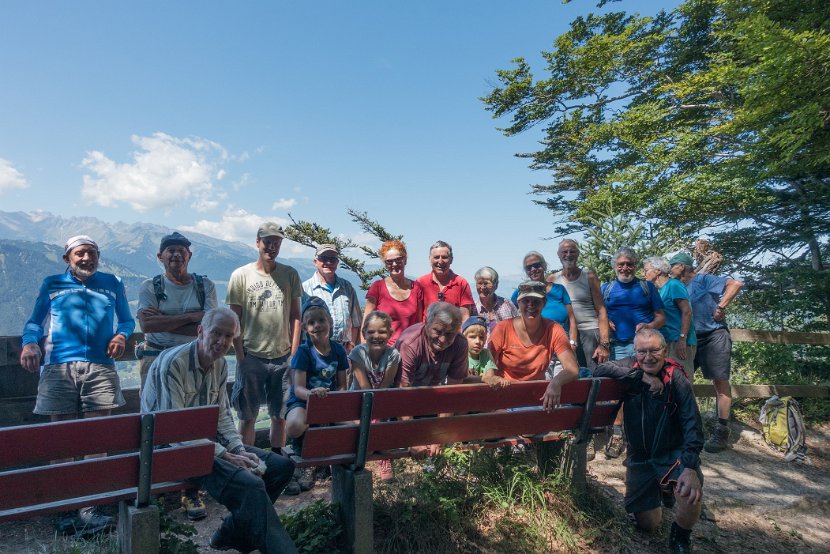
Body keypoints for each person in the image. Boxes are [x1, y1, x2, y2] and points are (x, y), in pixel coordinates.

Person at [140, 307, 297, 554]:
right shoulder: (174, 363)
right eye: (217, 333)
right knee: (251, 486)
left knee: (280, 467)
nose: (222, 341)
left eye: (228, 336)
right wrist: (225, 454)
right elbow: (174, 430)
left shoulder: (220, 365)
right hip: (169, 450)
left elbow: (223, 417)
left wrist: (237, 449)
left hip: (205, 444)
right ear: (201, 331)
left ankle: (230, 533)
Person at [20, 234, 135, 535]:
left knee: (97, 438)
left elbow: (126, 321)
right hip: (58, 366)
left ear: (98, 255)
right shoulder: (52, 284)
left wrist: (121, 336)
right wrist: (30, 344)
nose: (87, 259)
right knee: (62, 439)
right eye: (80, 254)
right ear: (68, 258)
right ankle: (65, 509)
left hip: (101, 366)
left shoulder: (113, 283)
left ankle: (90, 508)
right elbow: (34, 322)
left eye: (92, 253)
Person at [593, 329, 704, 554]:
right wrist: (641, 377)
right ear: (635, 352)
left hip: (672, 452)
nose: (648, 357)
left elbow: (693, 424)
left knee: (689, 493)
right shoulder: (630, 366)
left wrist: (690, 466)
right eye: (642, 351)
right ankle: (661, 491)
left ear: (664, 350)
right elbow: (601, 368)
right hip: (641, 456)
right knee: (648, 524)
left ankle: (680, 536)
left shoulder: (676, 378)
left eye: (654, 350)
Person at [136, 231, 218, 520]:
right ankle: (156, 488)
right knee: (152, 423)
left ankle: (190, 489)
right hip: (156, 359)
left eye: (181, 250)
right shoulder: (150, 286)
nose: (175, 254)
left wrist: (167, 321)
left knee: (192, 423)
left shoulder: (204, 285)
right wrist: (192, 318)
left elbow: (210, 326)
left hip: (193, 362)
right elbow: (147, 325)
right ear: (160, 256)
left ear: (189, 255)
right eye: (169, 250)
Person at [226, 222, 302, 452]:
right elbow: (233, 319)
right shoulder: (241, 275)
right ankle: (248, 464)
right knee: (247, 416)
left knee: (279, 416)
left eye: (276, 242)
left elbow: (296, 316)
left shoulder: (289, 274)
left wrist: (294, 353)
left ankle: (277, 459)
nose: (271, 246)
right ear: (257, 243)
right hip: (252, 357)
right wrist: (241, 356)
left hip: (282, 357)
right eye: (267, 241)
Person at [670, 252, 744, 453]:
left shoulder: (704, 279)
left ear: (683, 266)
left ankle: (721, 430)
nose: (670, 269)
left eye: (673, 266)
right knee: (679, 381)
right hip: (691, 341)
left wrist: (721, 306)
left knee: (720, 382)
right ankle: (684, 428)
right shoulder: (678, 287)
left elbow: (736, 284)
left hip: (714, 335)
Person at [601, 247, 665, 459]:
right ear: (615, 267)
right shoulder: (606, 288)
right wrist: (605, 322)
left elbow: (661, 317)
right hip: (617, 345)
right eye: (621, 264)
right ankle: (618, 433)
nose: (625, 268)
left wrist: (648, 325)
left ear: (635, 266)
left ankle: (642, 434)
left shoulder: (646, 287)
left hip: (643, 347)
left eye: (629, 264)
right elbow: (598, 312)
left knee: (644, 386)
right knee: (620, 388)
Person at [285, 297, 349, 492]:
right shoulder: (304, 352)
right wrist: (312, 395)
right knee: (295, 426)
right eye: (311, 322)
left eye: (321, 320)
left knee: (351, 428)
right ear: (305, 328)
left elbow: (342, 385)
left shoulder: (338, 350)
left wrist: (332, 401)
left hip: (328, 403)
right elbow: (298, 388)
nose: (317, 325)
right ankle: (303, 456)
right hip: (303, 402)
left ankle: (324, 458)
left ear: (329, 321)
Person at [488, 280, 580, 410]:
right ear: (518, 303)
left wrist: (556, 382)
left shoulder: (554, 329)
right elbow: (488, 363)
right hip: (506, 395)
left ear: (544, 304)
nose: (531, 305)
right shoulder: (503, 328)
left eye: (536, 301)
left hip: (536, 396)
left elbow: (572, 369)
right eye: (526, 301)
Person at [396, 302, 469, 457]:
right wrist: (412, 438)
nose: (442, 339)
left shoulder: (460, 344)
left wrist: (439, 435)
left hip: (431, 400)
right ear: (427, 323)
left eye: (450, 334)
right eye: (438, 331)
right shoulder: (410, 343)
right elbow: (401, 394)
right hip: (401, 406)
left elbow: (453, 391)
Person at [350, 310, 401, 481]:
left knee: (380, 442)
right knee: (370, 445)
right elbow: (364, 387)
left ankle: (384, 459)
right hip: (357, 406)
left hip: (381, 405)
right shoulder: (358, 353)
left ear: (390, 334)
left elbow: (385, 385)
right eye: (371, 332)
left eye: (382, 331)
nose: (376, 336)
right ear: (364, 334)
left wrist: (376, 419)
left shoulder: (393, 355)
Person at [553, 239, 611, 371]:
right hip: (565, 335)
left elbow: (601, 311)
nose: (568, 254)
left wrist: (604, 344)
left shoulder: (589, 277)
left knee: (594, 374)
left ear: (578, 254)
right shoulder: (552, 280)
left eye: (572, 251)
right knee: (570, 374)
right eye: (564, 252)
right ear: (558, 254)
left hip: (590, 331)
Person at [302, 243, 362, 353]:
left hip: (344, 351)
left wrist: (352, 345)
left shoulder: (347, 287)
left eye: (332, 259)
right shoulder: (305, 289)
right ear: (315, 262)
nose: (328, 262)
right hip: (314, 351)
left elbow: (356, 321)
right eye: (323, 258)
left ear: (337, 262)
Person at [363, 239, 424, 346]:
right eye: (389, 261)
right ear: (385, 265)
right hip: (382, 350)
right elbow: (366, 323)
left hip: (410, 350)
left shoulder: (416, 288)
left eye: (398, 259)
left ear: (405, 260)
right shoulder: (377, 288)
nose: (394, 264)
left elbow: (419, 324)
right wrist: (365, 350)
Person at [643, 256, 696, 377]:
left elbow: (687, 311)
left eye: (646, 270)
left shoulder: (674, 285)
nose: (643, 273)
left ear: (658, 271)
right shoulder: (659, 290)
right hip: (667, 341)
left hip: (679, 342)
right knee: (668, 381)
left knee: (681, 380)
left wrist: (682, 339)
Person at [511, 251, 578, 343]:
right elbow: (510, 315)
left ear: (544, 266)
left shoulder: (559, 290)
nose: (533, 269)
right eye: (529, 267)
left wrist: (573, 342)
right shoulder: (521, 292)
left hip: (561, 342)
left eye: (537, 265)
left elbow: (572, 319)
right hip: (535, 345)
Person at [416, 240, 475, 320]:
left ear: (451, 260)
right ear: (430, 259)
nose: (440, 261)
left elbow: (464, 317)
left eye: (444, 257)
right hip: (427, 332)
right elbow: (417, 318)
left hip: (453, 332)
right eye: (436, 257)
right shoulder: (421, 283)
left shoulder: (461, 283)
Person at [471, 266, 517, 337]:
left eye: (486, 283)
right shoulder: (473, 308)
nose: (482, 287)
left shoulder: (507, 305)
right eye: (479, 283)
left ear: (496, 285)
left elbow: (518, 329)